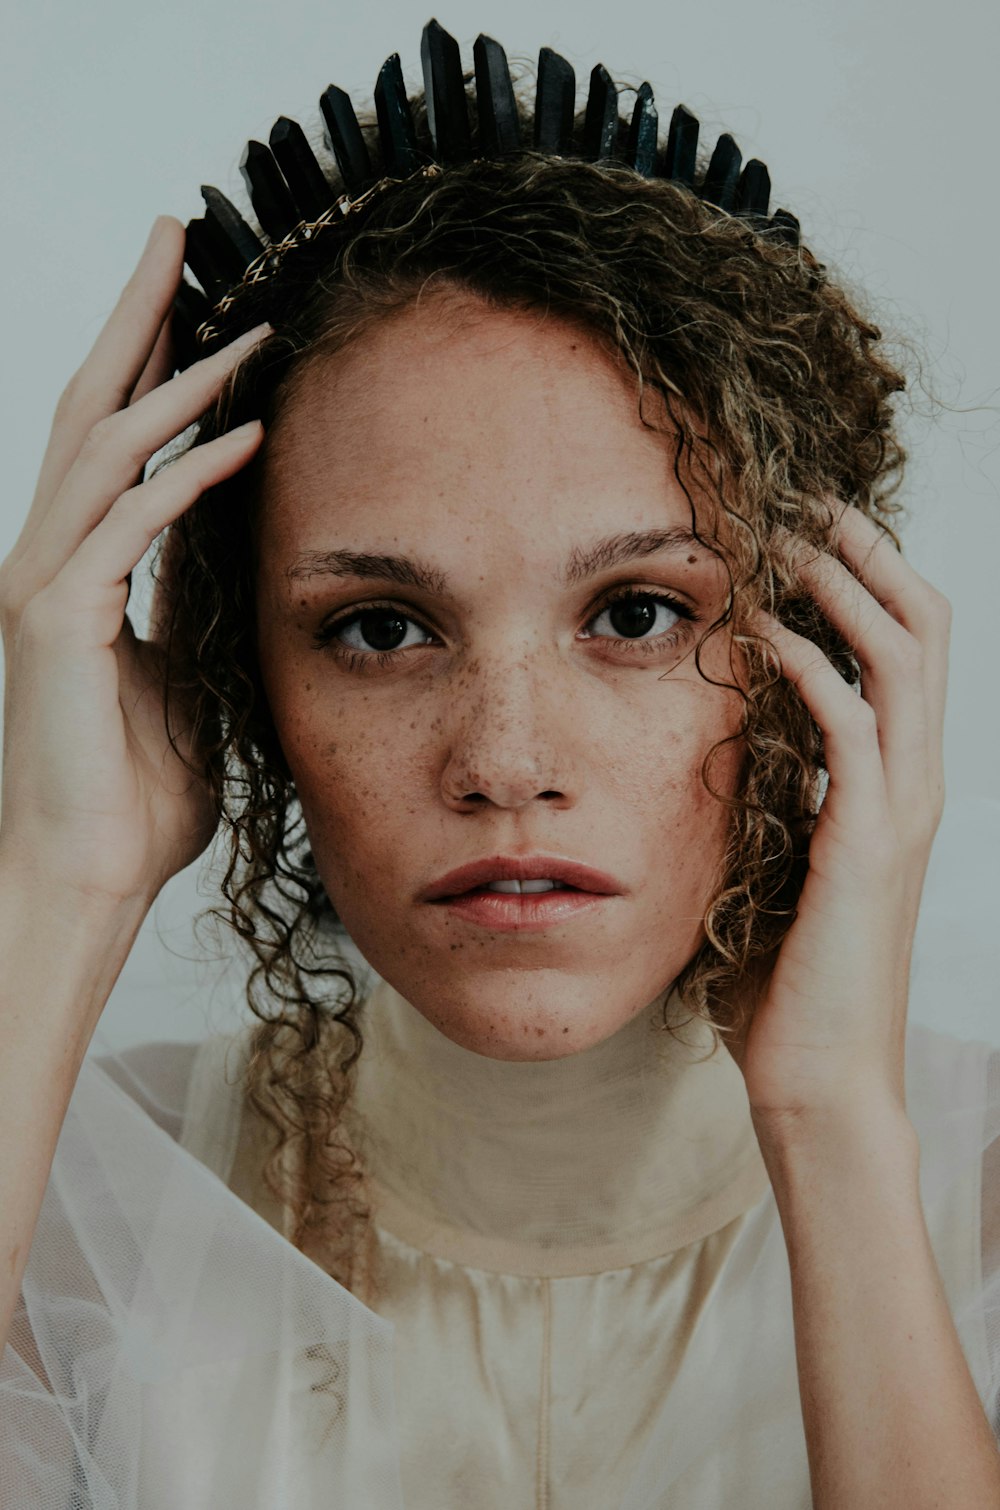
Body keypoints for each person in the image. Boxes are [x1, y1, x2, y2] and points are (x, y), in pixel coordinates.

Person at [1, 20, 998, 1509]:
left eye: (637, 612)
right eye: (383, 626)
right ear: (241, 684)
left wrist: (837, 1120)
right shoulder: (81, 1205)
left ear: (818, 649)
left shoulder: (978, 1207)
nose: (507, 760)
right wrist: (53, 883)